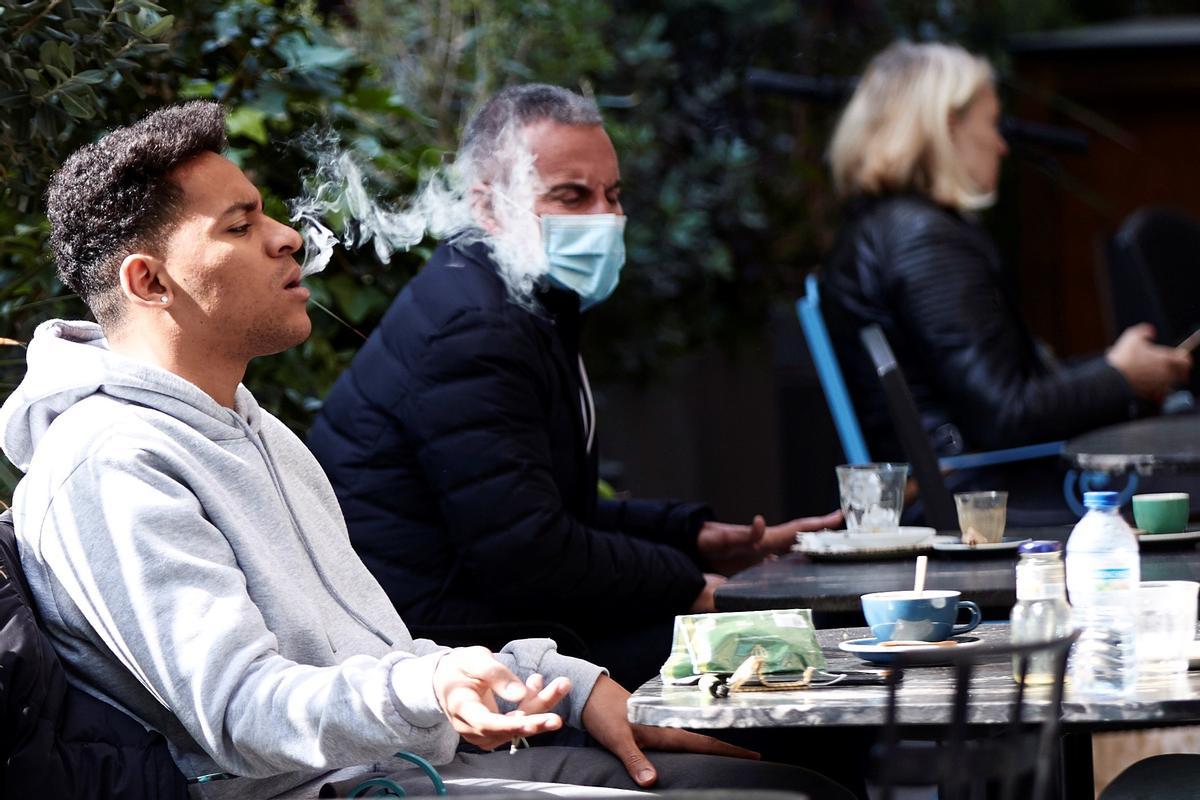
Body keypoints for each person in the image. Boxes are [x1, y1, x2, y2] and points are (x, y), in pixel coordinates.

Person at [0, 102, 854, 799]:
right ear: (149, 281)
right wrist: (431, 691)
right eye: (240, 225)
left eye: (270, 212)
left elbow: (381, 652)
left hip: (407, 764)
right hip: (341, 791)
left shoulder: (256, 432)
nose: (289, 236)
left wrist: (564, 683)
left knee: (789, 781)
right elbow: (240, 711)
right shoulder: (111, 463)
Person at [307, 84, 840, 687]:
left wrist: (696, 538)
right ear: (489, 207)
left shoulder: (518, 299)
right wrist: (690, 585)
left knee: (795, 650)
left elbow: (541, 510)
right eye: (571, 196)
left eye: (612, 195)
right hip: (445, 654)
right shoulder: (476, 327)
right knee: (789, 660)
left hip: (492, 622)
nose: (606, 218)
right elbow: (528, 553)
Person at [820, 41, 1191, 507]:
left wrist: (1120, 369)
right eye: (991, 124)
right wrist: (1119, 377)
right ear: (946, 126)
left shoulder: (885, 229)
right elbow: (1007, 415)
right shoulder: (925, 241)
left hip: (965, 486)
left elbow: (995, 393)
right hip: (980, 498)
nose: (1001, 144)